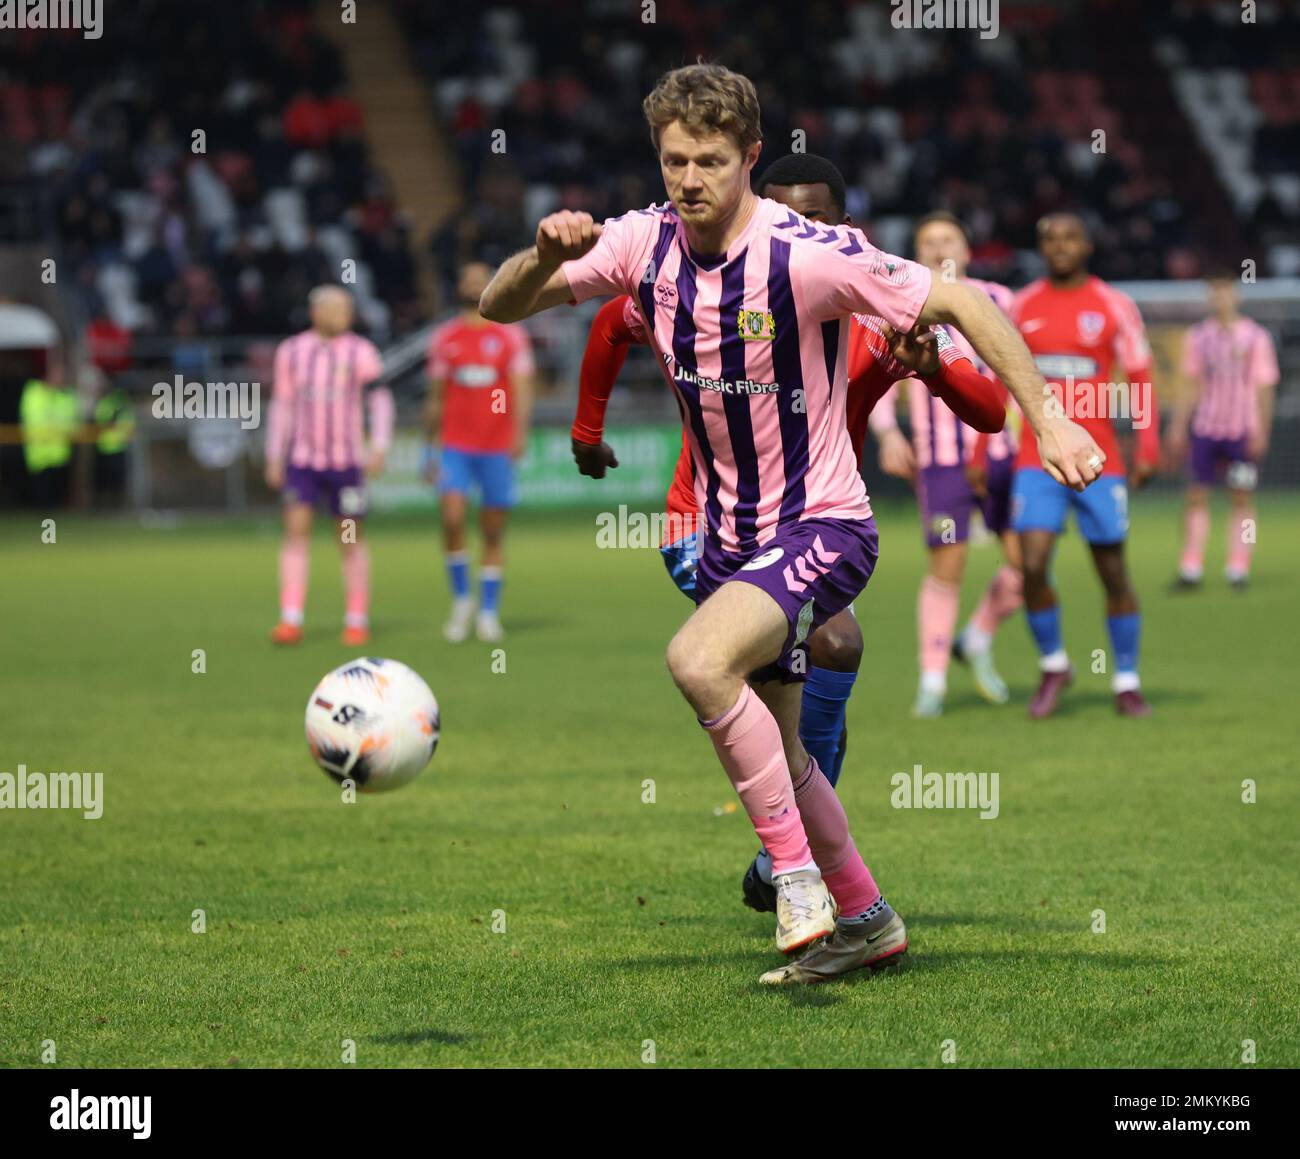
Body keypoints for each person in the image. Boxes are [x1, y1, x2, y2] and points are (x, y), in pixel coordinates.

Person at [479, 63, 1104, 984]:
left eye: (712, 161)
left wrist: (1045, 415)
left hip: (826, 525)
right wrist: (541, 252)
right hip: (733, 537)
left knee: (696, 659)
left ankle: (798, 882)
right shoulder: (639, 243)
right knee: (784, 745)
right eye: (674, 159)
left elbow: (963, 299)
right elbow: (499, 304)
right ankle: (869, 920)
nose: (690, 179)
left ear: (749, 158)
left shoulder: (807, 253)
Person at [570, 153, 1004, 914]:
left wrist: (932, 367)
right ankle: (813, 873)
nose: (788, 233)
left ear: (844, 230)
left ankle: (805, 867)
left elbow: (992, 409)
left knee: (817, 673)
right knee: (828, 648)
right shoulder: (709, 283)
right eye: (776, 216)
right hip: (702, 524)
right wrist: (585, 430)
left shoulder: (872, 303)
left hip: (804, 524)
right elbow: (611, 322)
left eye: (812, 221)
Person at [870, 211, 1024, 716]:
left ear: (968, 248)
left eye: (948, 239)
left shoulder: (1000, 299)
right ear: (917, 254)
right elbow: (872, 382)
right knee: (947, 566)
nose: (939, 248)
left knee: (1031, 567)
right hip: (942, 464)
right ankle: (932, 680)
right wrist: (890, 435)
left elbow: (1024, 373)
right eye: (929, 241)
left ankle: (977, 636)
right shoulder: (901, 308)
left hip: (1005, 454)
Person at [1005, 213, 1158, 719]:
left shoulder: (1113, 305)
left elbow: (1138, 375)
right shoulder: (1021, 305)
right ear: (1041, 248)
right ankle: (1053, 666)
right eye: (1049, 239)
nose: (1060, 246)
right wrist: (986, 451)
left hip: (1101, 460)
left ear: (1087, 245)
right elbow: (1001, 380)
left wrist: (1148, 446)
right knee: (1030, 566)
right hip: (1037, 457)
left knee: (1112, 572)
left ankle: (1127, 680)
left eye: (1070, 237)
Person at [265, 285, 393, 647]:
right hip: (303, 463)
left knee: (350, 539)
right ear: (316, 312)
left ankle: (356, 619)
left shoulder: (361, 351)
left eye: (348, 309)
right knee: (295, 534)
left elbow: (380, 400)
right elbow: (282, 406)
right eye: (336, 308)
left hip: (346, 464)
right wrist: (275, 455)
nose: (344, 315)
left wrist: (379, 445)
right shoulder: (292, 352)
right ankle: (290, 618)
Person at [425, 261, 534, 643]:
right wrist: (428, 447)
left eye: (479, 278)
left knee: (492, 531)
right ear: (459, 287)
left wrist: (517, 432)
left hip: (496, 447)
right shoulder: (445, 338)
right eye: (467, 278)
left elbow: (519, 390)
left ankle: (488, 612)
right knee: (452, 519)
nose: (473, 284)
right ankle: (461, 602)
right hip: (455, 445)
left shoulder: (510, 336)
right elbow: (435, 398)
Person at [1167, 272, 1278, 591]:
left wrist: (1262, 430)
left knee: (1242, 497)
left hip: (1242, 431)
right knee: (1195, 495)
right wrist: (1178, 425)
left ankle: (1238, 566)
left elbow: (1264, 387)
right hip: (1206, 428)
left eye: (1225, 292)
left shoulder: (1255, 337)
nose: (1219, 299)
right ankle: (1191, 567)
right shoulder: (1198, 337)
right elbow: (1190, 383)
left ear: (1236, 296)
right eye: (1214, 293)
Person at [20, 375, 78, 509]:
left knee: (55, 488)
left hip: (58, 452)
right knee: (42, 489)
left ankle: (52, 512)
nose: (59, 381)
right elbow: (34, 420)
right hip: (39, 452)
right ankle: (43, 513)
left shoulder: (63, 397)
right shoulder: (34, 394)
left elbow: (70, 422)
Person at [92, 378, 135, 507]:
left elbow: (129, 425)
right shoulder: (105, 404)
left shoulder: (123, 406)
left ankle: (117, 507)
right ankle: (103, 506)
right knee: (103, 482)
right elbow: (100, 423)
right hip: (104, 448)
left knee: (118, 482)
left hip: (119, 448)